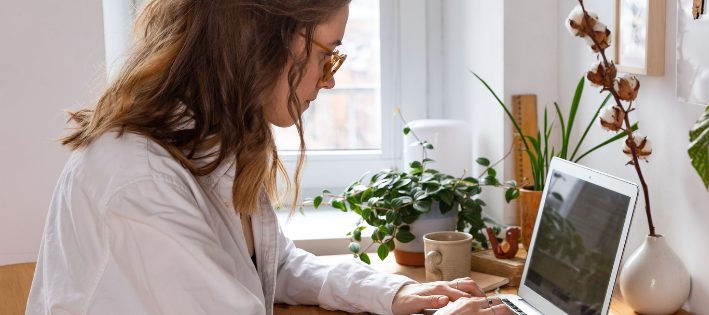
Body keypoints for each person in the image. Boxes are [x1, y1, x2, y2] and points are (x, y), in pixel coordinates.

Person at [25, 1, 513, 314]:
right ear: (262, 40)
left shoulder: (218, 144)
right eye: (328, 54)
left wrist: (392, 292)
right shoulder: (137, 180)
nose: (330, 79)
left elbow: (273, 269)